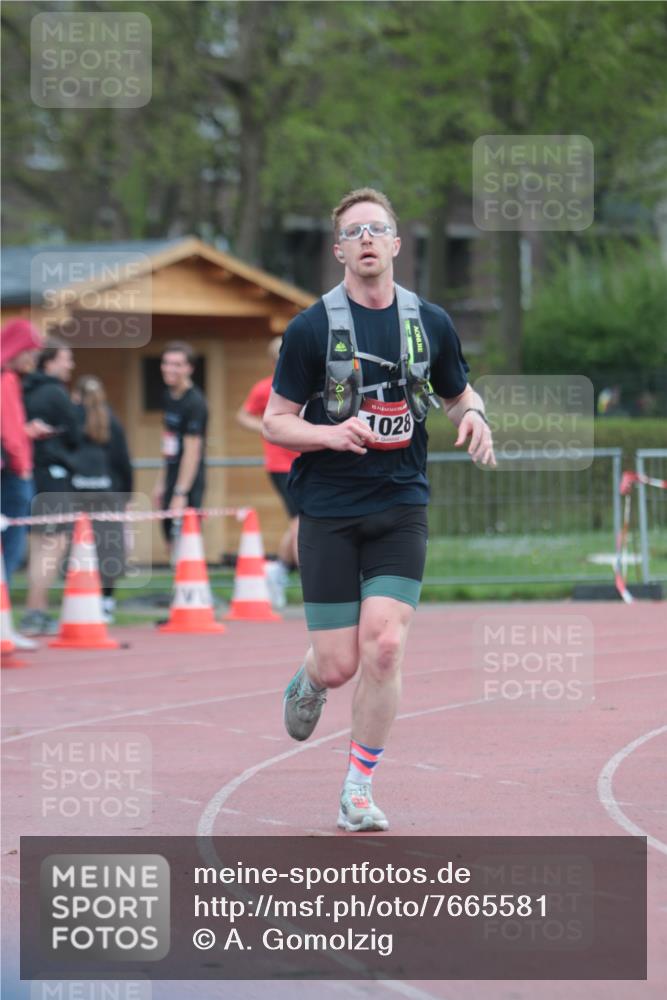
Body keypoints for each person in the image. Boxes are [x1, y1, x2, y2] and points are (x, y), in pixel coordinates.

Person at [263, 188, 495, 832]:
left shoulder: (431, 323)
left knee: (386, 647)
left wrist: (475, 417)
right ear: (339, 249)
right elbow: (276, 424)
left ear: (396, 244)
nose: (367, 238)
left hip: (400, 503)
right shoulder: (312, 329)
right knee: (340, 664)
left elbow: (456, 394)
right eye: (354, 231)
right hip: (331, 508)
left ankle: (357, 789)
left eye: (378, 229)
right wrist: (330, 434)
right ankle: (310, 678)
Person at [19, 341, 79, 636]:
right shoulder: (54, 392)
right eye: (66, 359)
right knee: (54, 544)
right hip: (51, 475)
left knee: (39, 545)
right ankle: (34, 611)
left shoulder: (24, 388)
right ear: (49, 363)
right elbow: (76, 434)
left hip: (31, 475)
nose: (71, 365)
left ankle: (37, 610)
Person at [236, 336, 299, 609]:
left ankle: (278, 570)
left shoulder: (304, 383)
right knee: (303, 521)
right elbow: (242, 416)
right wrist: (267, 427)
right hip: (281, 465)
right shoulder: (266, 388)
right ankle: (314, 582)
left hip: (306, 460)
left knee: (301, 521)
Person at [0, 319, 50, 649]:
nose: (33, 360)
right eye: (30, 352)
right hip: (11, 476)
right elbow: (9, 432)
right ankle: (4, 628)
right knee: (10, 553)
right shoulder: (6, 380)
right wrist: (23, 467)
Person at [70, 376, 134, 623]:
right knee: (109, 548)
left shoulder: (73, 419)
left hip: (78, 493)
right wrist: (126, 495)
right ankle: (106, 601)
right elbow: (123, 462)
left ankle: (81, 598)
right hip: (108, 494)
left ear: (76, 396)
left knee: (80, 548)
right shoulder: (113, 422)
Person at [152, 341, 207, 546]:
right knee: (168, 537)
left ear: (189, 368)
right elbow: (168, 443)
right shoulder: (168, 395)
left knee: (187, 539)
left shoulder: (195, 402)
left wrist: (180, 492)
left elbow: (193, 451)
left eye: (176, 364)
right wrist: (161, 483)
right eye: (166, 363)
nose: (169, 369)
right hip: (171, 476)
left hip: (188, 480)